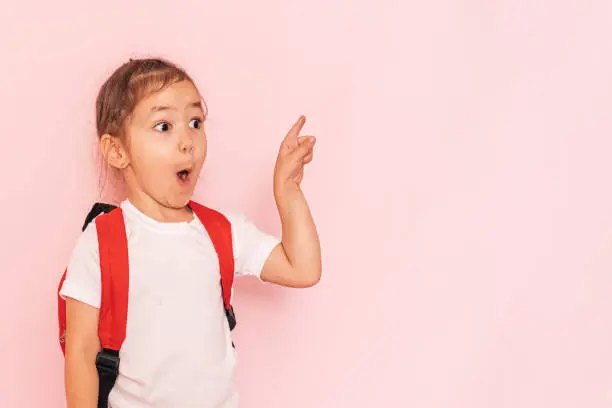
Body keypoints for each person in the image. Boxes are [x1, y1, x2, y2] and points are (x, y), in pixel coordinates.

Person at [59, 57, 321, 408]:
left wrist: (288, 192)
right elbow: (80, 353)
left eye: (195, 122)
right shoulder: (100, 242)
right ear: (118, 151)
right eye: (164, 126)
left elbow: (302, 268)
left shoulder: (221, 232)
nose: (187, 141)